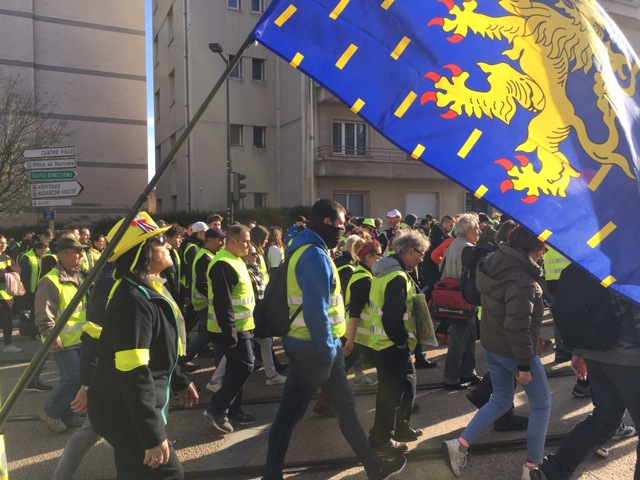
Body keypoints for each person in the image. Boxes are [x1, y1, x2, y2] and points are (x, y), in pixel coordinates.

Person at [264, 199, 406, 480]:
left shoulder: (303, 248)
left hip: (317, 346)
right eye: (341, 224)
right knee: (289, 416)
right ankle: (271, 475)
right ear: (327, 222)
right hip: (315, 349)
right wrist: (330, 351)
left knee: (346, 409)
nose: (343, 230)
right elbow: (317, 311)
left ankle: (375, 467)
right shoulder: (315, 256)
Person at [88, 212, 199, 479]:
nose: (169, 244)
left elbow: (157, 351)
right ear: (143, 252)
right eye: (161, 240)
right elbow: (134, 372)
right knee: (170, 473)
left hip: (124, 410)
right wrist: (151, 435)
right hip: (124, 413)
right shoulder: (134, 301)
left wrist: (179, 379)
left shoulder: (145, 289)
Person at [443, 225, 551, 479]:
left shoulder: (492, 261)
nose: (546, 250)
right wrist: (525, 365)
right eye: (543, 246)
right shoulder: (522, 280)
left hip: (493, 345)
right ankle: (533, 467)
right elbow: (518, 326)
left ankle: (459, 445)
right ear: (533, 247)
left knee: (501, 400)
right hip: (515, 351)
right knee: (542, 404)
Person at [530, 290, 640, 480]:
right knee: (606, 418)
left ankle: (552, 472)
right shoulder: (632, 264)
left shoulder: (597, 263)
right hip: (630, 360)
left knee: (604, 418)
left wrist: (579, 350)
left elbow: (587, 306)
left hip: (595, 351)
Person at [368, 230, 427, 453]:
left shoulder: (389, 271)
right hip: (392, 344)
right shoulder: (397, 277)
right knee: (390, 392)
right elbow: (392, 316)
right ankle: (381, 438)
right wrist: (401, 341)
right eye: (420, 254)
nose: (422, 258)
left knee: (406, 384)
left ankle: (401, 426)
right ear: (410, 251)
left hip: (387, 343)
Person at [202, 225, 256, 434]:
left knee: (236, 369)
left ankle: (234, 411)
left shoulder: (235, 260)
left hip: (242, 327)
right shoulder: (222, 264)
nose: (248, 245)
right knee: (245, 366)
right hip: (232, 329)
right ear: (233, 242)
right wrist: (230, 332)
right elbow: (223, 303)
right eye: (245, 241)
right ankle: (216, 409)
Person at [35, 237, 90, 432]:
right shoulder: (51, 280)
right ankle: (50, 413)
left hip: (78, 339)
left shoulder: (79, 276)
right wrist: (52, 336)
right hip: (61, 341)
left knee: (76, 376)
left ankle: (67, 413)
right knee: (73, 376)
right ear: (62, 255)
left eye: (81, 251)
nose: (81, 255)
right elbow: (43, 314)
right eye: (77, 251)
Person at [440, 213, 482, 390]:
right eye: (476, 228)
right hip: (462, 300)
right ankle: (451, 378)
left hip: (454, 298)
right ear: (467, 230)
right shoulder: (467, 248)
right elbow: (471, 278)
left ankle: (468, 373)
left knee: (469, 336)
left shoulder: (454, 245)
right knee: (459, 340)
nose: (479, 231)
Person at [0, 234, 22, 353]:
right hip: (1, 296)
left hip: (7, 295)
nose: (3, 245)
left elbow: (17, 268)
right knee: (5, 320)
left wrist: (8, 272)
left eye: (5, 243)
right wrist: (8, 274)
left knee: (7, 321)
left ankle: (8, 345)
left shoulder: (6, 257)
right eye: (1, 243)